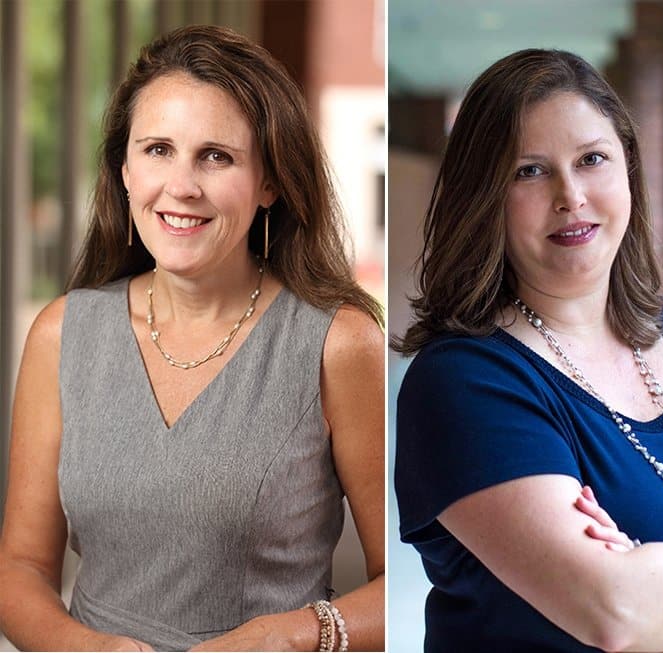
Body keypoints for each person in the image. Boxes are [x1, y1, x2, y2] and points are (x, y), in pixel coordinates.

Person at [0, 25, 385, 651]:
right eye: (157, 150)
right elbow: (19, 571)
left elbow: (406, 581)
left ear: (270, 183)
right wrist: (90, 648)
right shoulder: (62, 333)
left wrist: (287, 636)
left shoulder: (339, 344)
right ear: (124, 169)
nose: (181, 186)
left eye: (217, 156)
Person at [392, 49, 663, 652]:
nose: (570, 195)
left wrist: (653, 574)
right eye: (529, 171)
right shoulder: (464, 382)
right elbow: (617, 612)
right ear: (484, 197)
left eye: (591, 159)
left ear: (628, 169)